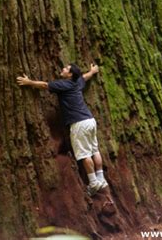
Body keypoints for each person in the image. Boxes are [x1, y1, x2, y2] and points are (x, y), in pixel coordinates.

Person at [16, 62, 108, 196]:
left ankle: (93, 183)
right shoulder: (77, 82)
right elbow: (85, 77)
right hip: (90, 120)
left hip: (79, 124)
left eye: (66, 69)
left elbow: (45, 85)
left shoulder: (65, 84)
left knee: (85, 154)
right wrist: (93, 72)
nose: (63, 69)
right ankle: (101, 179)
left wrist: (29, 82)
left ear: (70, 74)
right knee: (94, 150)